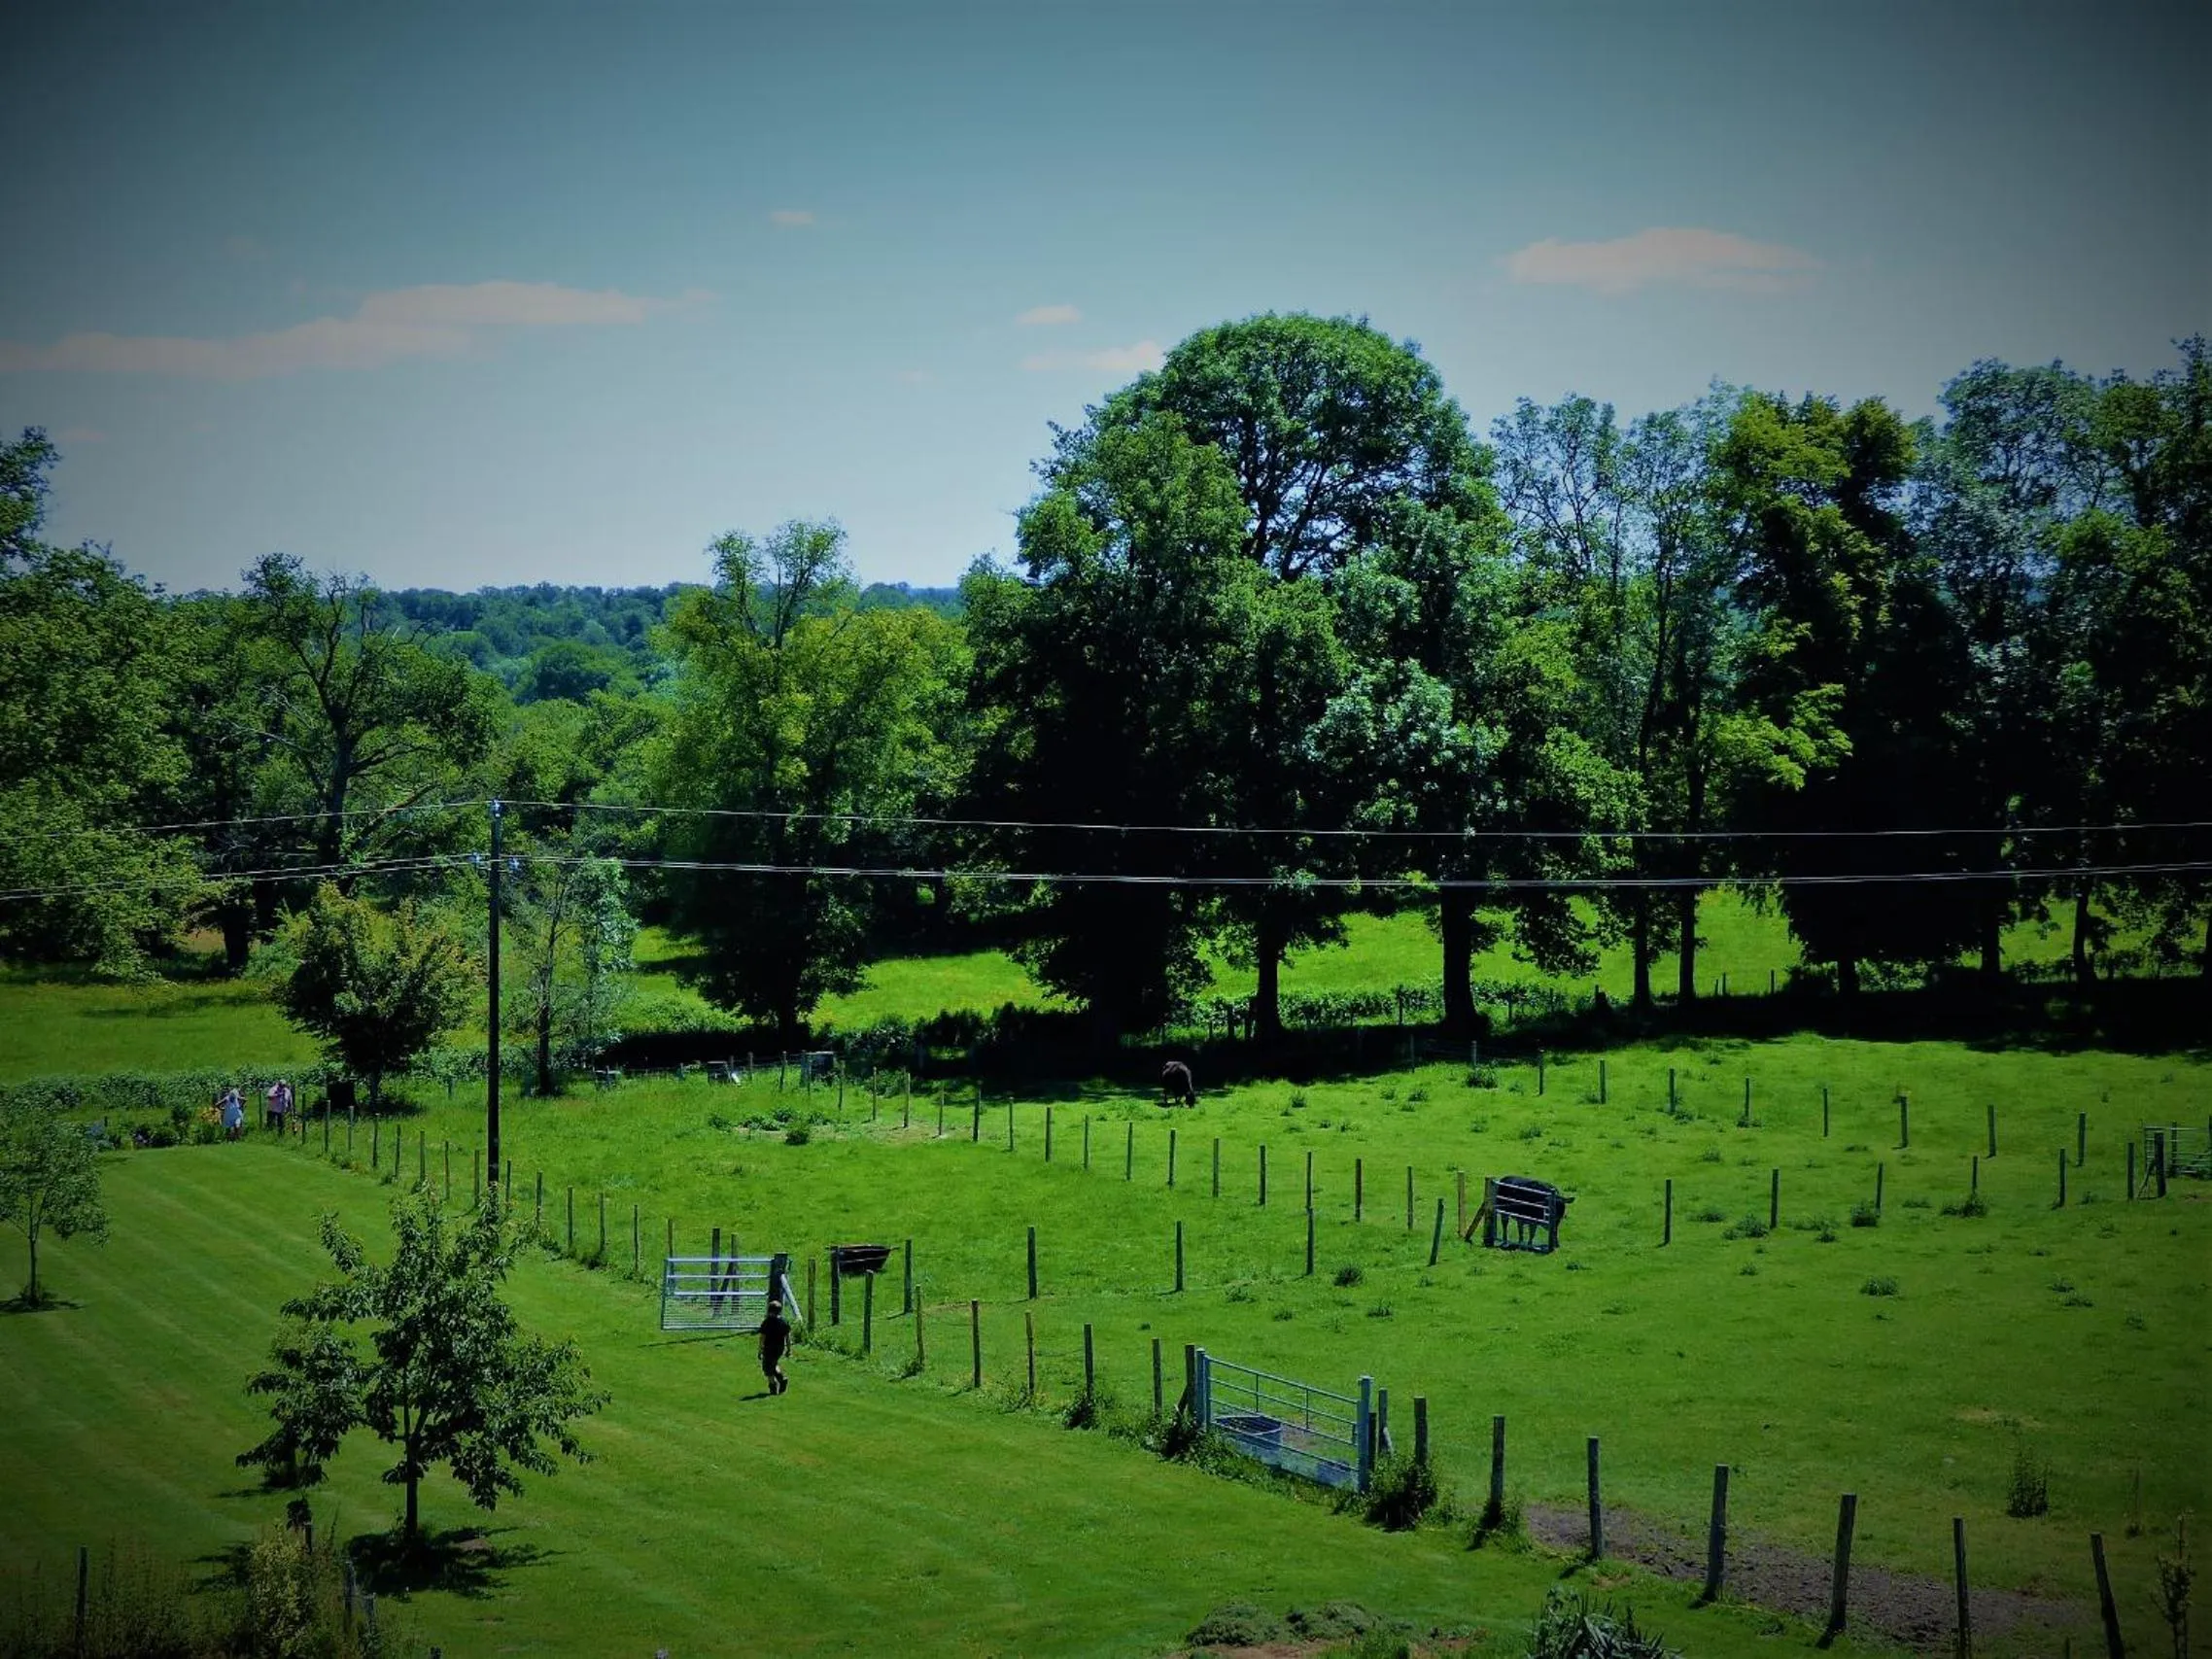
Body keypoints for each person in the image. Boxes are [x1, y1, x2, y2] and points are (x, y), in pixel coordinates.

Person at [758, 1297, 793, 1396]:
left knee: (767, 1368)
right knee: (773, 1364)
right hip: (779, 1348)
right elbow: (788, 1336)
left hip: (769, 1347)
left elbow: (762, 1337)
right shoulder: (784, 1322)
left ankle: (774, 1386)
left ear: (769, 1310)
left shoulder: (767, 1322)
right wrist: (789, 1349)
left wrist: (760, 1350)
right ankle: (781, 1379)